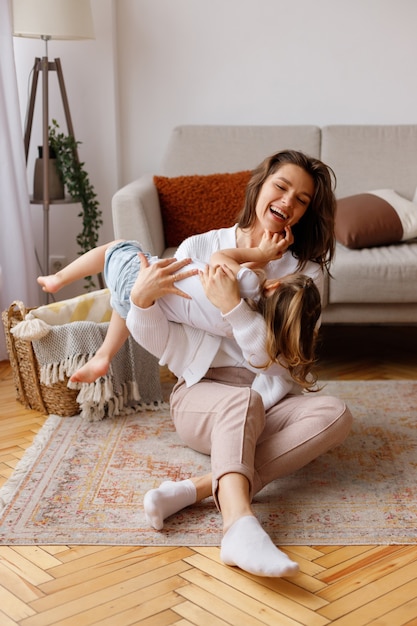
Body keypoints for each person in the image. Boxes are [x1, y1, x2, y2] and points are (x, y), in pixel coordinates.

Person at [126, 149, 354, 578]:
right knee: (240, 403)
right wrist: (140, 302)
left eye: (302, 200)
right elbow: (164, 337)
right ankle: (238, 526)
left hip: (271, 396)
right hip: (201, 397)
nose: (289, 202)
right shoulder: (202, 247)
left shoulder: (304, 270)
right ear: (261, 186)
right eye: (282, 187)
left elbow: (284, 360)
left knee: (335, 414)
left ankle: (194, 490)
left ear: (306, 213)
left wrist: (234, 310)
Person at [37, 230, 322, 408]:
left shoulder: (247, 282)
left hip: (147, 277)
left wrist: (259, 255)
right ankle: (103, 355)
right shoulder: (239, 325)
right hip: (151, 301)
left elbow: (222, 256)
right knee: (122, 304)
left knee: (118, 245)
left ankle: (58, 278)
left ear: (273, 285)